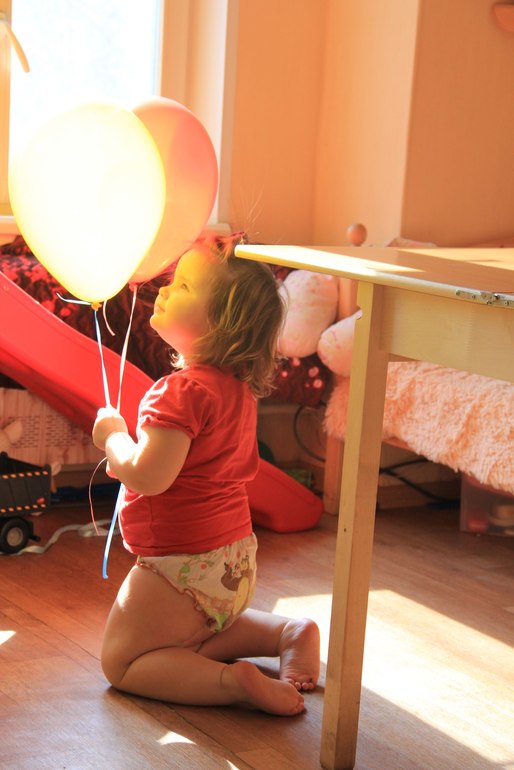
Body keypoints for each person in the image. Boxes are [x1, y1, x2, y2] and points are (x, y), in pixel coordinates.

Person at [92, 232, 320, 716]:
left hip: (178, 565)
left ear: (221, 326)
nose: (165, 289)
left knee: (122, 662)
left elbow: (148, 476)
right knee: (199, 629)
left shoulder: (177, 393)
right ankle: (287, 631)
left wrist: (112, 437)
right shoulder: (236, 390)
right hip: (232, 559)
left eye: (183, 286)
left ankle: (232, 682)